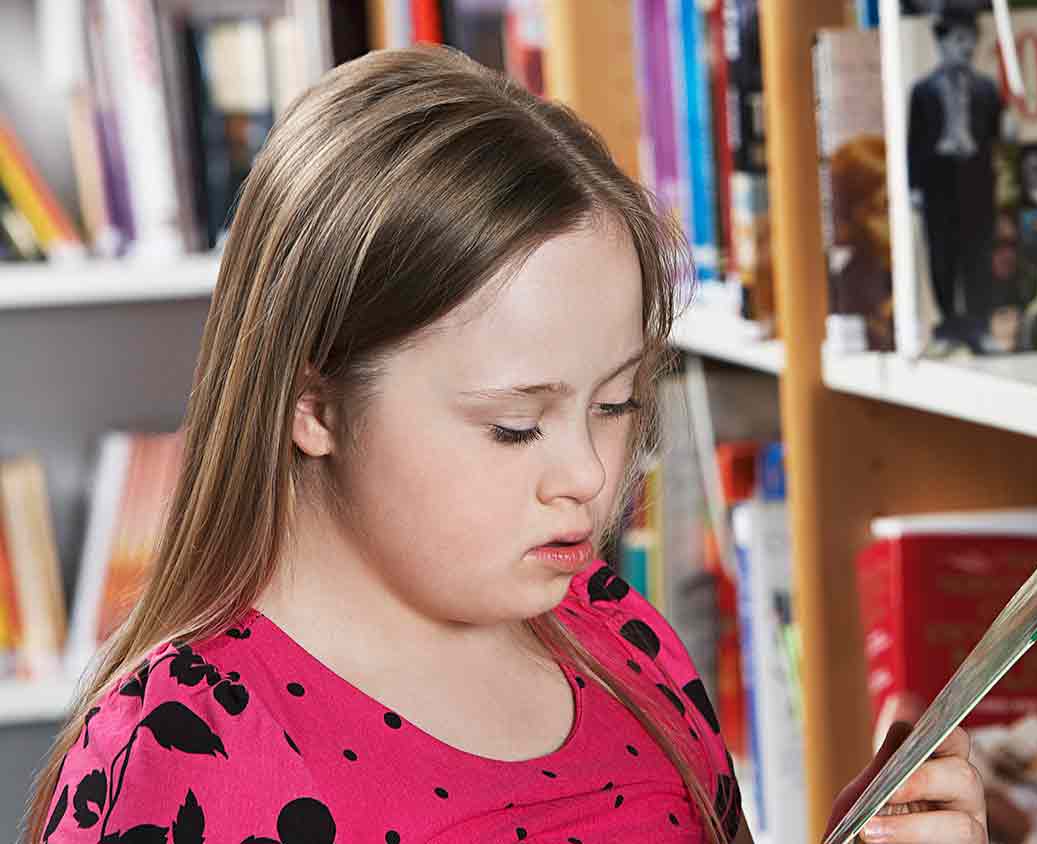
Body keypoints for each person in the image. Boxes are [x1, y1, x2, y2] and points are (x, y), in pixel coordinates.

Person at [23, 48, 985, 844]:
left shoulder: (616, 636)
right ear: (312, 402)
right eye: (514, 425)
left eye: (615, 404)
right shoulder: (181, 748)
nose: (591, 475)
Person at [906, 9, 1003, 356]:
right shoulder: (923, 90)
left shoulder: (987, 89)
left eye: (971, 39)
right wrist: (914, 188)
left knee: (977, 252)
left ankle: (978, 324)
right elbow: (913, 143)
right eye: (959, 39)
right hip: (939, 177)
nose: (967, 47)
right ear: (942, 42)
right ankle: (948, 323)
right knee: (942, 252)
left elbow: (995, 136)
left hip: (976, 176)